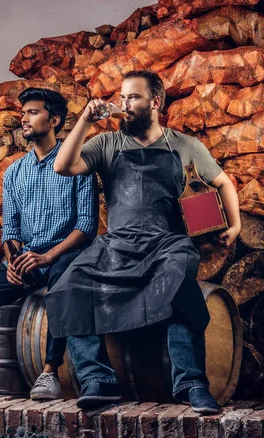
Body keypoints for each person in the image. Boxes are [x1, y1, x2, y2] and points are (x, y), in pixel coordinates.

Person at [47, 70, 241, 413]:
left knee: (181, 282)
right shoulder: (106, 143)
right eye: (122, 98)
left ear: (156, 102)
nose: (125, 104)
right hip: (118, 244)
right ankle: (97, 378)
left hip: (167, 243)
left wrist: (236, 224)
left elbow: (224, 182)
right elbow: (62, 166)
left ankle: (192, 383)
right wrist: (85, 120)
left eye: (133, 97)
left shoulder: (184, 145)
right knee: (68, 286)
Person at [0, 87, 98, 401]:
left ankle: (49, 373)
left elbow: (86, 227)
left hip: (66, 255)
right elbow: (10, 229)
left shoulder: (78, 163)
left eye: (32, 113)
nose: (24, 119)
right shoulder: (14, 172)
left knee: (60, 291)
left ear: (54, 120)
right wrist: (12, 261)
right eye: (23, 113)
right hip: (25, 259)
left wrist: (46, 257)